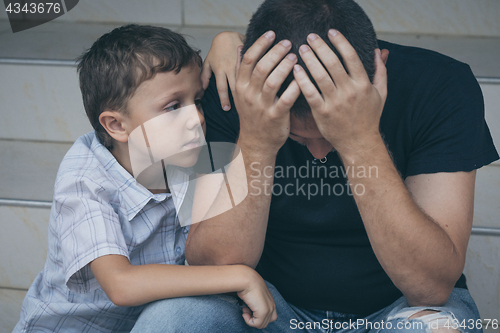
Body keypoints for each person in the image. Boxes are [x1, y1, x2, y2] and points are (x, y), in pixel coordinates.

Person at [129, 0, 499, 332]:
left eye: (330, 134)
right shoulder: (233, 90)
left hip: (400, 310)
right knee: (168, 321)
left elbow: (429, 286)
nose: (319, 151)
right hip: (264, 307)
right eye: (299, 136)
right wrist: (257, 139)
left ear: (377, 66)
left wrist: (358, 139)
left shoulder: (441, 85)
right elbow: (214, 265)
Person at [13, 24, 277, 333]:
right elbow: (121, 284)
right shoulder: (85, 180)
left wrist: (225, 41)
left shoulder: (185, 155)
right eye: (173, 106)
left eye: (198, 101)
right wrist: (241, 277)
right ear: (117, 125)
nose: (197, 119)